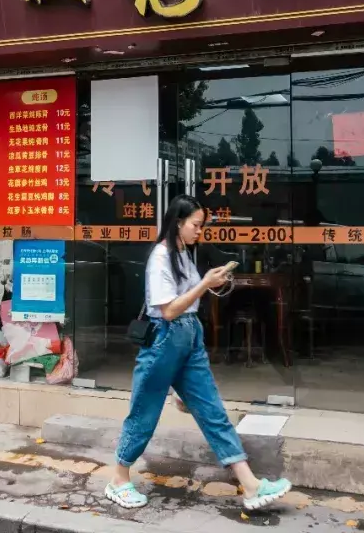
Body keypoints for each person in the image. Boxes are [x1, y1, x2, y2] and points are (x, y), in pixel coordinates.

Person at [105, 194, 292, 511]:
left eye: (201, 225)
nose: (199, 231)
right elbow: (168, 311)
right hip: (165, 338)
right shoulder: (161, 257)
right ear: (178, 222)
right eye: (195, 224)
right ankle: (119, 480)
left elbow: (187, 303)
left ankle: (251, 486)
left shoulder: (182, 254)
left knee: (212, 410)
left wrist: (211, 282)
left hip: (189, 337)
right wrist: (205, 284)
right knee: (144, 413)